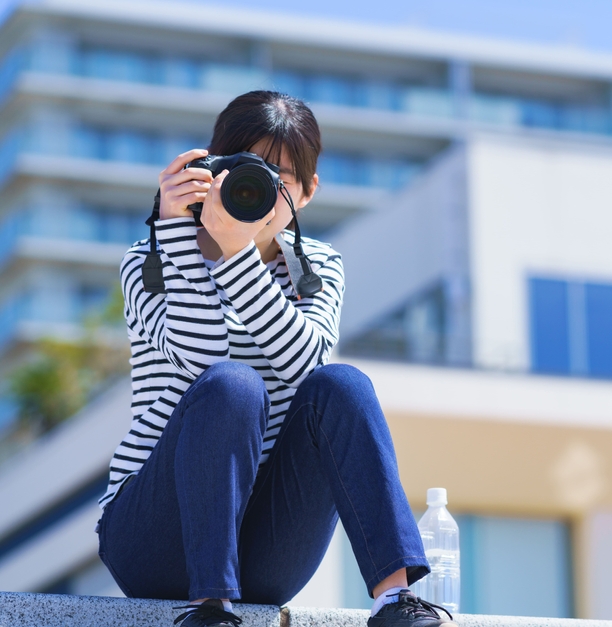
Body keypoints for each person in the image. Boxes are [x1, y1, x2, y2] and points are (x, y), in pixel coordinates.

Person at [95, 90, 455, 627]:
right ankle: (209, 606)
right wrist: (181, 234)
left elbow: (304, 367)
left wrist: (236, 255)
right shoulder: (149, 261)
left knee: (342, 384)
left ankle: (395, 601)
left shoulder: (317, 267)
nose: (255, 185)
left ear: (307, 192)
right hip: (153, 538)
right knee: (232, 385)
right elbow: (201, 360)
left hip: (266, 553)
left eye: (278, 175)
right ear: (210, 171)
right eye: (243, 166)